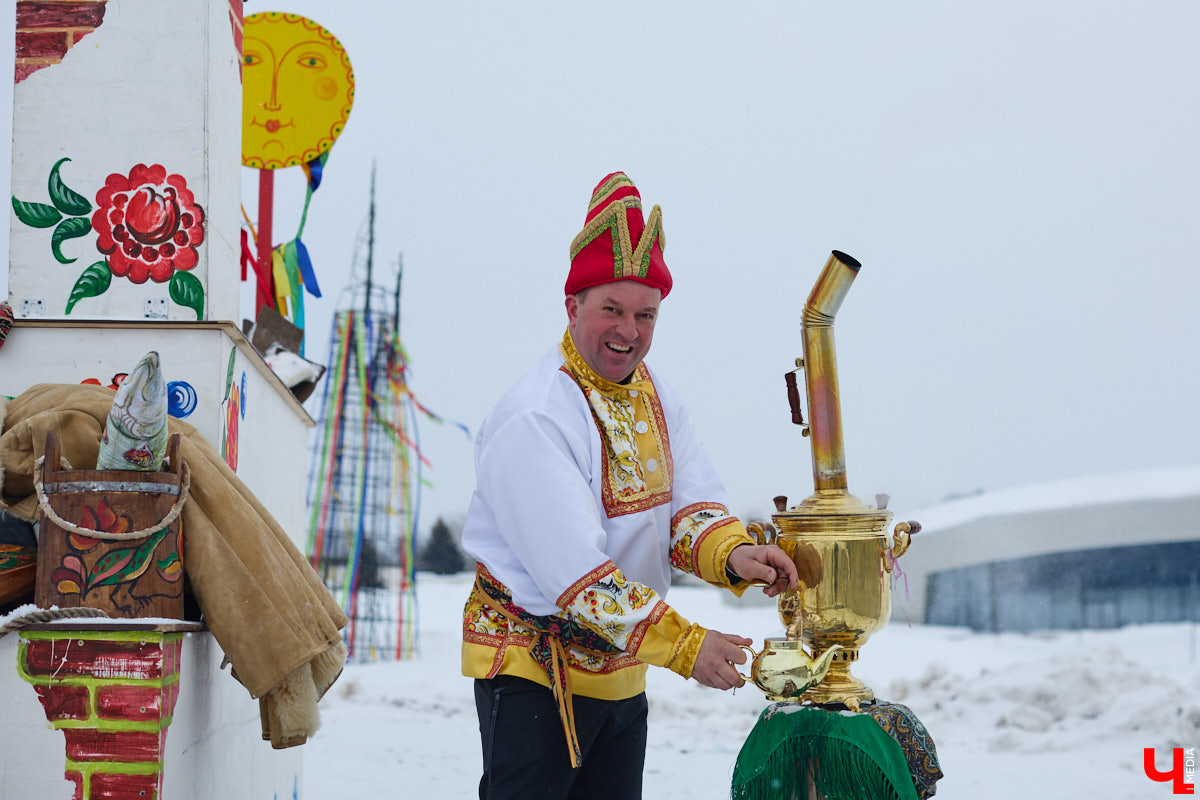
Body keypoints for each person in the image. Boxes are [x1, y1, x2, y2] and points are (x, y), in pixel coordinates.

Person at [460, 172, 803, 799]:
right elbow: (577, 576)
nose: (629, 331)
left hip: (624, 672)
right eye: (611, 310)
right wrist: (685, 645)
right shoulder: (534, 417)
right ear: (572, 306)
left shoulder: (656, 394)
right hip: (538, 676)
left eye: (645, 315)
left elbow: (688, 508)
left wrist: (732, 553)